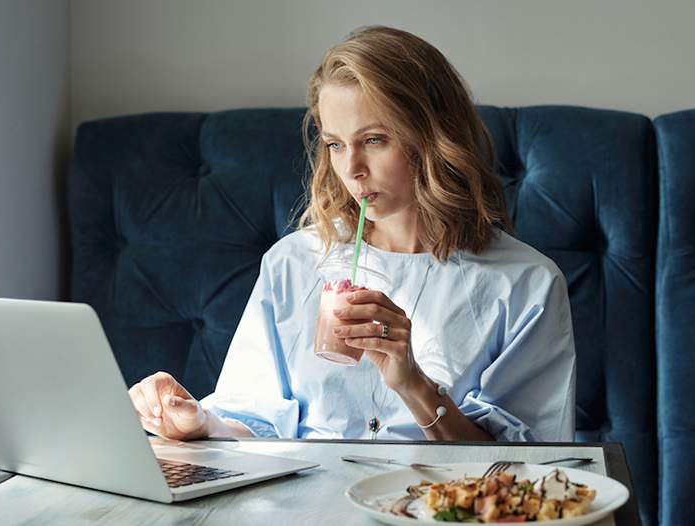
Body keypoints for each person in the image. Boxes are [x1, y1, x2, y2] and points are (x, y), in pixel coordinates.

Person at [129, 26, 576, 443]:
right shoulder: (296, 262)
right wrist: (196, 422)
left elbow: (525, 469)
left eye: (375, 139)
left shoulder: (526, 285)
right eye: (335, 144)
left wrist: (415, 386)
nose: (352, 169)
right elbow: (257, 425)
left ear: (435, 137)